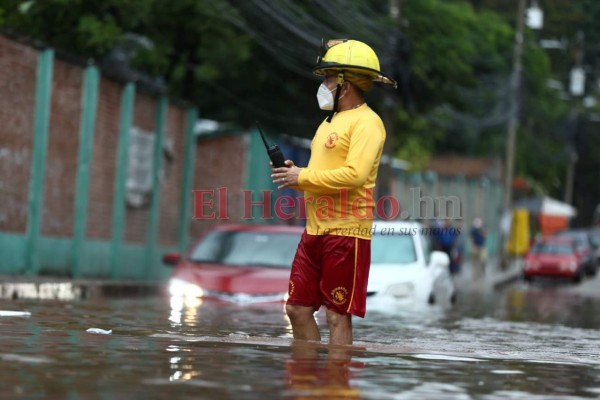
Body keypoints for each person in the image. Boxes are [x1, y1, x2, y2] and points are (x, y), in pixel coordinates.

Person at [270, 39, 397, 345]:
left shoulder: (369, 123)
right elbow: (322, 173)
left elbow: (355, 175)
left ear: (345, 82)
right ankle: (306, 383)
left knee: (336, 315)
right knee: (297, 308)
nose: (324, 85)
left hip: (347, 233)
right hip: (314, 230)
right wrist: (295, 174)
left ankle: (336, 387)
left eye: (328, 78)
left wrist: (305, 175)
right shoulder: (329, 122)